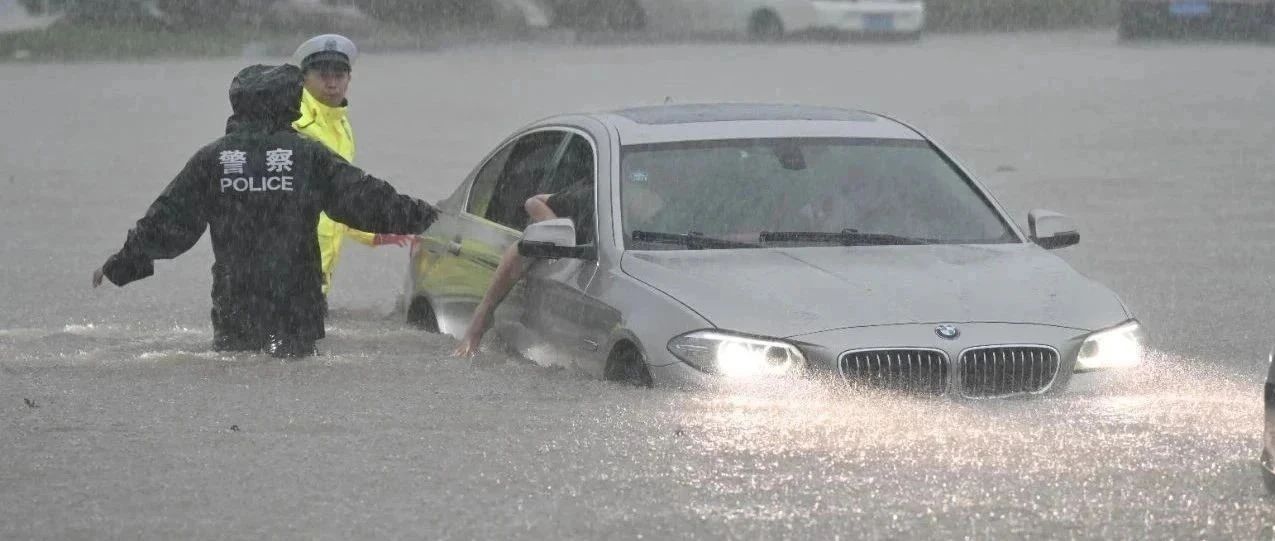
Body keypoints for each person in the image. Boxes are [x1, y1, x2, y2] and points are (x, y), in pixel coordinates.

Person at [91, 64, 438, 358]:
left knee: (238, 375)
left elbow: (168, 221)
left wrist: (122, 263)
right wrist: (430, 218)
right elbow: (367, 200)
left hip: (236, 301)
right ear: (290, 103)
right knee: (296, 382)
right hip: (297, 302)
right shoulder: (307, 157)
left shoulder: (213, 160)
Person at [292, 34, 411, 296]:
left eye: (339, 75)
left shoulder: (342, 126)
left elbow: (341, 197)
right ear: (304, 78)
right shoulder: (292, 122)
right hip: (291, 266)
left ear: (349, 79)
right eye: (323, 75)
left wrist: (374, 232)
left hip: (318, 271)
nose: (332, 84)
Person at [452, 143, 595, 358]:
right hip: (500, 251)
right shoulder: (589, 195)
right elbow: (533, 202)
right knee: (526, 245)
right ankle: (480, 320)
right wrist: (555, 227)